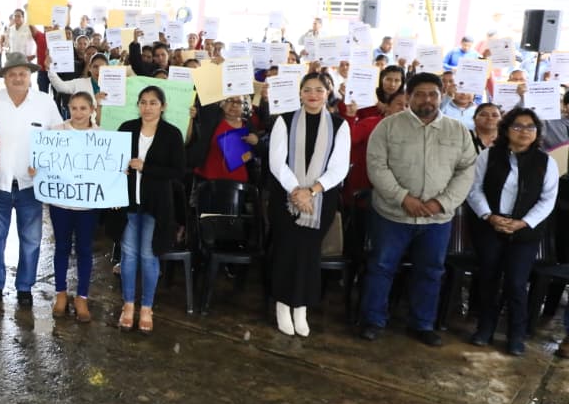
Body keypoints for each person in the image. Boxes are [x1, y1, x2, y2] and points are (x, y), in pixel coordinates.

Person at [360, 72, 477, 346]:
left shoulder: (457, 130)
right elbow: (376, 166)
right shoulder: (388, 127)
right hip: (392, 214)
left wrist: (441, 202)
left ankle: (422, 323)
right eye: (420, 94)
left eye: (433, 94)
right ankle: (373, 320)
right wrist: (403, 198)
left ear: (442, 96)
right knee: (381, 267)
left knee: (430, 271)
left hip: (436, 220)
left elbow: (466, 171)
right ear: (409, 97)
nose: (427, 99)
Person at [466, 108, 559, 356]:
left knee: (517, 284)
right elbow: (474, 190)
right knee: (488, 278)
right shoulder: (489, 156)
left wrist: (523, 222)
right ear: (506, 129)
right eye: (518, 126)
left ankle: (516, 335)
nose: (524, 132)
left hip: (524, 232)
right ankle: (485, 328)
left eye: (530, 127)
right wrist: (489, 216)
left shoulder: (546, 162)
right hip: (490, 226)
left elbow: (547, 200)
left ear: (537, 132)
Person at [267, 73, 352, 337]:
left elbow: (339, 168)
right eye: (307, 90)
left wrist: (312, 191)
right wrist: (296, 190)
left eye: (319, 89)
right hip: (286, 198)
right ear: (300, 93)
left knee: (308, 253)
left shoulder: (340, 125)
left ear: (328, 93)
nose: (313, 94)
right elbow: (276, 162)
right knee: (286, 249)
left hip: (321, 200)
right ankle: (282, 305)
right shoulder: (285, 120)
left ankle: (300, 308)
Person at [0, 52, 62, 307]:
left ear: (30, 76)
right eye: (12, 74)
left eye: (22, 74)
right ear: (4, 77)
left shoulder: (45, 102)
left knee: (31, 240)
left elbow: (59, 138)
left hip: (31, 186)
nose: (18, 78)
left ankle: (24, 287)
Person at [115, 85, 185, 332]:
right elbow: (113, 160)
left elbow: (178, 171)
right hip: (128, 204)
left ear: (163, 106)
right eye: (143, 102)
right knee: (128, 256)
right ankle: (128, 305)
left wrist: (146, 168)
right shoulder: (126, 129)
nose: (147, 107)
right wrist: (119, 169)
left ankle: (146, 307)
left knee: (148, 255)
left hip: (156, 206)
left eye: (153, 102)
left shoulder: (172, 134)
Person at [48, 92, 102, 323]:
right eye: (74, 108)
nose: (78, 113)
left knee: (84, 250)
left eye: (83, 108)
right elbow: (45, 159)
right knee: (61, 247)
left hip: (88, 204)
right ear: (68, 108)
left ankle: (81, 296)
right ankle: (60, 293)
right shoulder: (56, 132)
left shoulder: (101, 136)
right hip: (60, 202)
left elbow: (107, 166)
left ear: (92, 110)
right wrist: (37, 168)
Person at [192, 97, 259, 183]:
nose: (234, 105)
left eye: (239, 102)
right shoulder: (211, 119)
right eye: (230, 100)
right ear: (222, 102)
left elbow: (260, 151)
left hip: (237, 182)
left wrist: (256, 143)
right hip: (207, 179)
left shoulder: (248, 125)